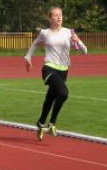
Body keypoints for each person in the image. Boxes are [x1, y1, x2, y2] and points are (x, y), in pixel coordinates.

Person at [24, 7, 87, 140]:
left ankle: (41, 123)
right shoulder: (45, 33)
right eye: (56, 15)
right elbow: (35, 45)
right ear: (50, 18)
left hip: (63, 70)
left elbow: (84, 51)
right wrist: (28, 57)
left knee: (50, 98)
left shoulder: (69, 32)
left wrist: (78, 41)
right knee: (63, 93)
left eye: (61, 15)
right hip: (49, 68)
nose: (59, 17)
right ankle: (52, 122)